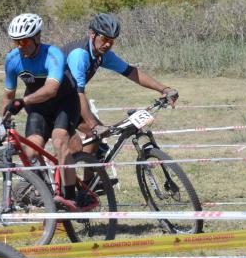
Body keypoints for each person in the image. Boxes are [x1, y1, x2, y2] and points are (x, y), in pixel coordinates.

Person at [2, 13, 95, 212]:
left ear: (37, 37)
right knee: (31, 151)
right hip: (39, 107)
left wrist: (23, 101)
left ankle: (70, 197)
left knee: (59, 138)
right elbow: (8, 95)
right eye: (16, 41)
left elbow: (51, 89)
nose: (21, 46)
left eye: (25, 40)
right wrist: (0, 122)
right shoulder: (12, 59)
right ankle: (44, 189)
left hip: (64, 102)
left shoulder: (53, 54)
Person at [60, 13, 179, 155]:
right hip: (53, 102)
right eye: (104, 39)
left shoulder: (102, 54)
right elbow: (78, 93)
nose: (108, 44)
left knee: (95, 138)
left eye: (112, 40)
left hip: (68, 98)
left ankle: (87, 176)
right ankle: (46, 173)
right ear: (93, 34)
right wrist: (94, 125)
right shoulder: (80, 55)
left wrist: (164, 89)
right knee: (76, 145)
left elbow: (131, 72)